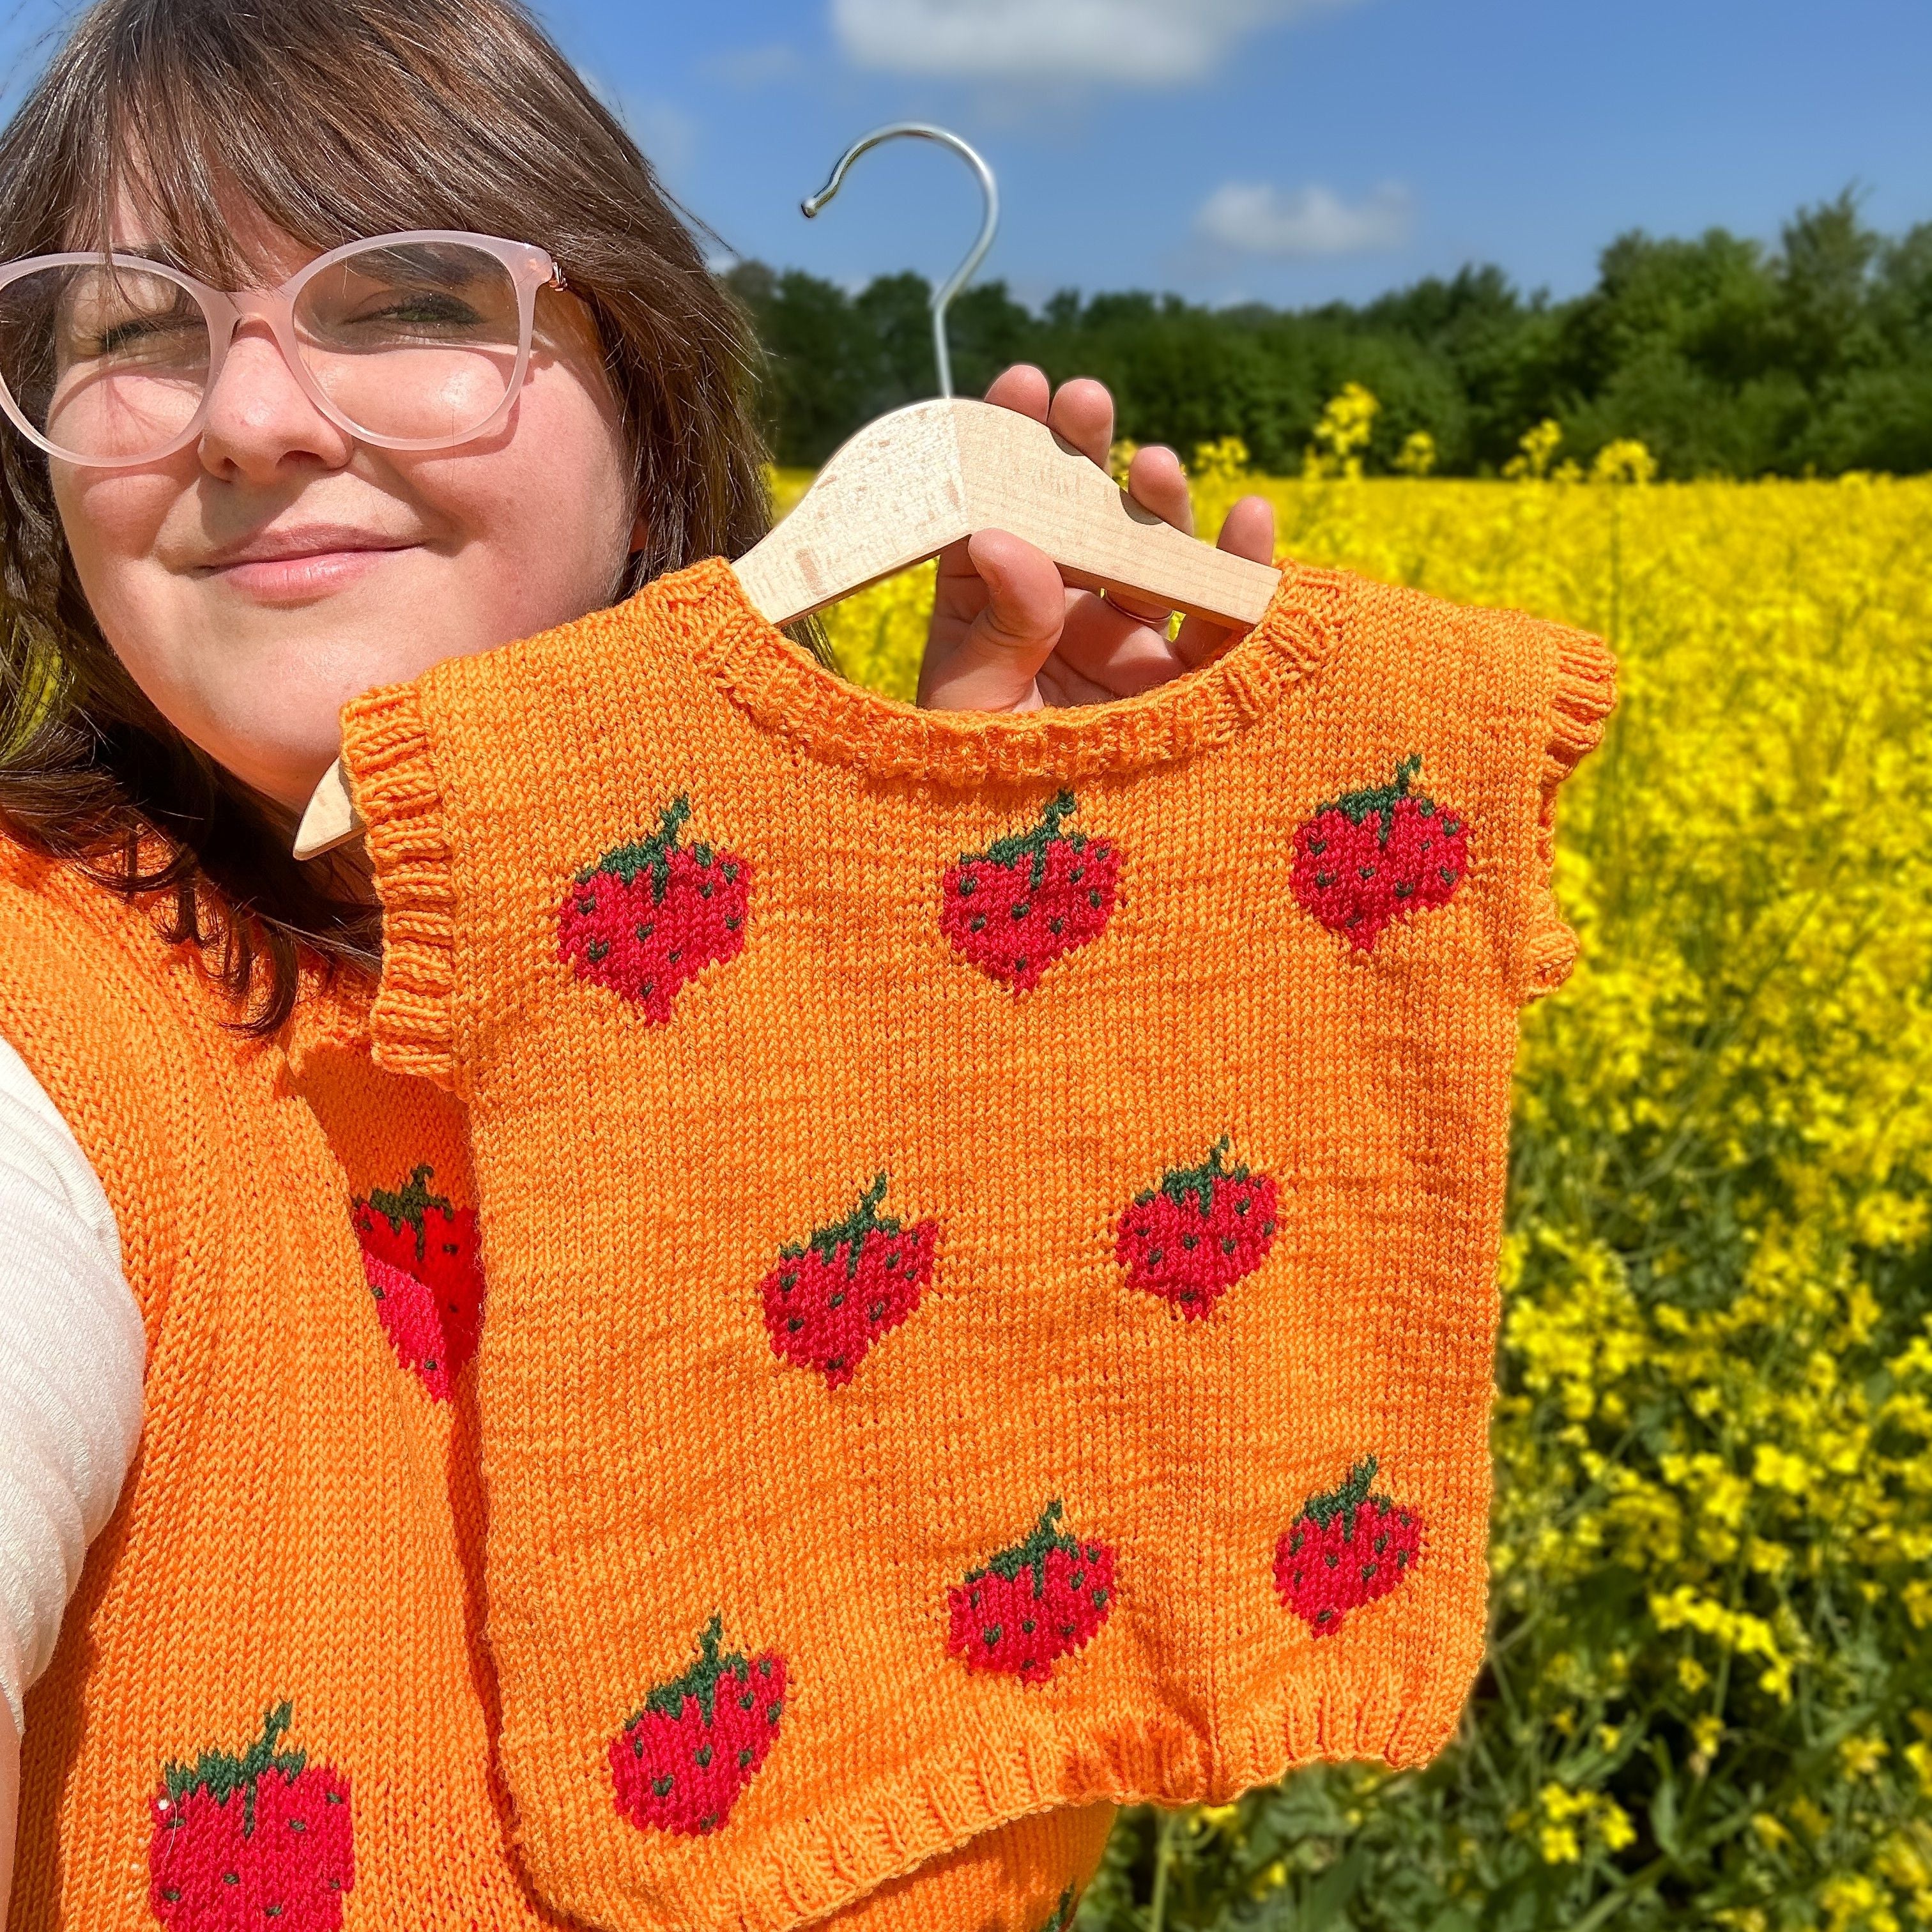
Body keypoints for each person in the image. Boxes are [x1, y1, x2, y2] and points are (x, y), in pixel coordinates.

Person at [0, 0, 1278, 1919]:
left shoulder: (798, 998)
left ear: (649, 400)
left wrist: (1014, 1022)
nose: (250, 414)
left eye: (408, 301)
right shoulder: (48, 1043)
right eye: (130, 328)